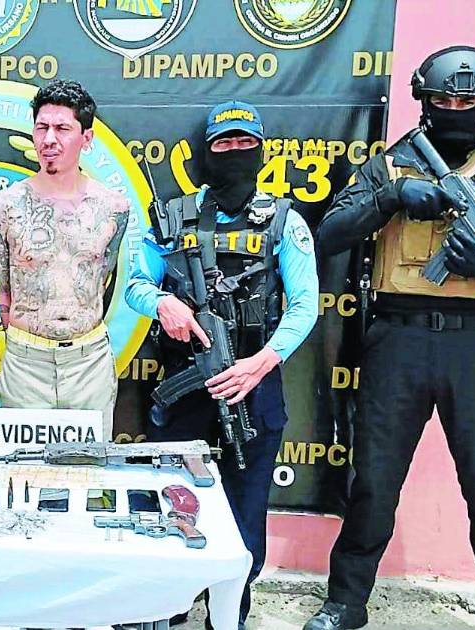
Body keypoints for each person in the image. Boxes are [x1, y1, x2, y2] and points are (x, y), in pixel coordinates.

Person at [304, 47, 475, 630]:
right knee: (374, 483)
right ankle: (345, 604)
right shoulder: (389, 167)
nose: (456, 110)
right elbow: (328, 234)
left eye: (469, 101)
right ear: (424, 100)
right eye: (444, 99)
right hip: (399, 339)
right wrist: (391, 199)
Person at [125, 101, 319, 630]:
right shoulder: (172, 217)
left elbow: (305, 305)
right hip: (186, 379)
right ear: (205, 151)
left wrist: (261, 363)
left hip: (253, 382)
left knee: (245, 503)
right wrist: (163, 304)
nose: (234, 151)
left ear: (260, 150)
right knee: (172, 495)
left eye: (244, 143)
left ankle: (231, 610)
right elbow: (136, 284)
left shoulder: (284, 221)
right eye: (223, 143)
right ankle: (168, 605)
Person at [0, 79, 131, 436]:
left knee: (90, 465)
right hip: (25, 362)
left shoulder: (114, 208)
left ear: (86, 138)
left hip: (88, 362)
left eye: (63, 129)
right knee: (23, 467)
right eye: (42, 128)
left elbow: (103, 274)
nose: (49, 139)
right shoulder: (4, 206)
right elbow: (3, 286)